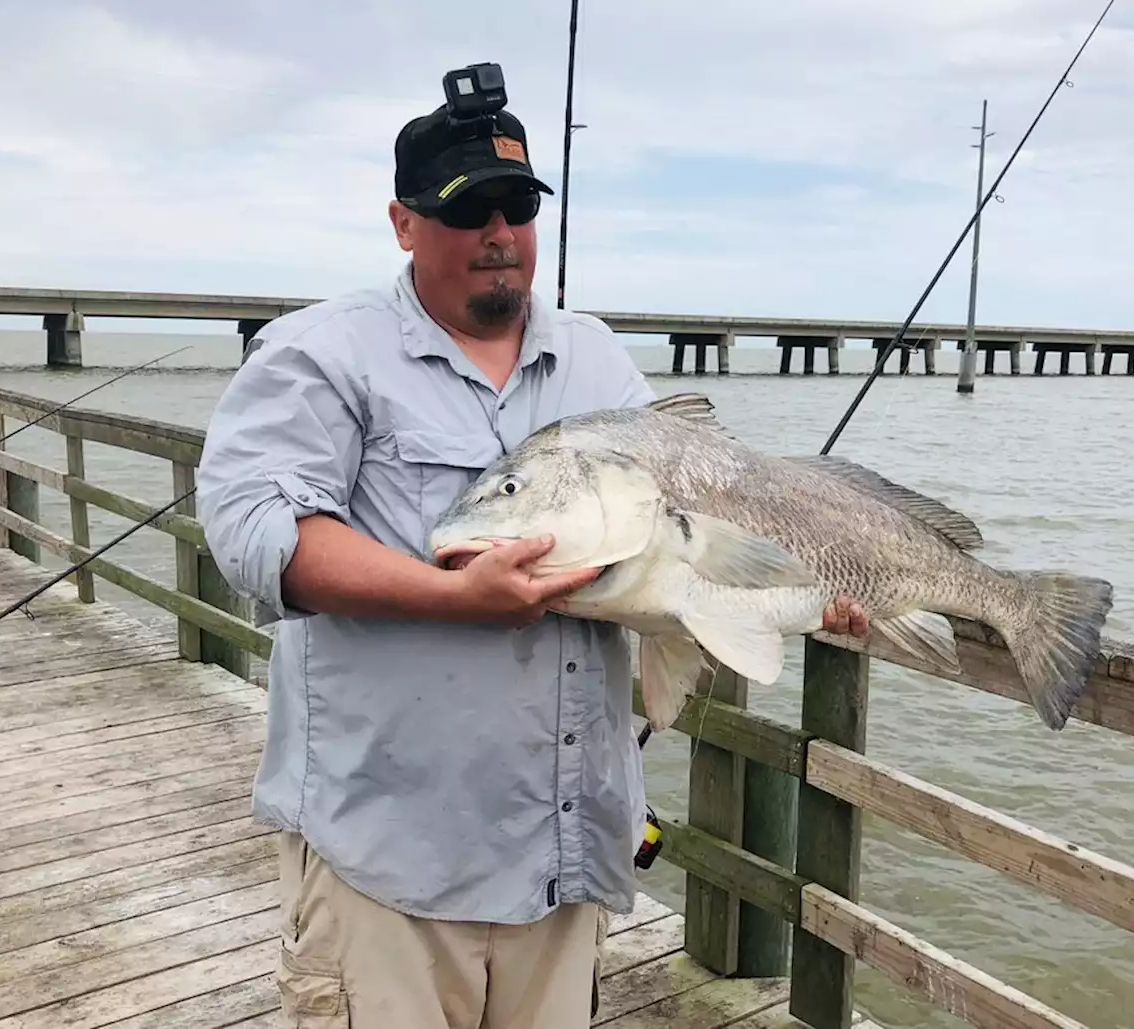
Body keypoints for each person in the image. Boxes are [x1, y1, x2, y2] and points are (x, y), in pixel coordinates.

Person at [195, 75, 868, 1029]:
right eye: (467, 211)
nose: (498, 233)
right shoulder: (321, 355)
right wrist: (448, 596)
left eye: (516, 207)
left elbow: (691, 523)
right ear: (403, 222)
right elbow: (255, 531)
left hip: (560, 857)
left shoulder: (598, 360)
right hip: (388, 863)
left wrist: (815, 576)